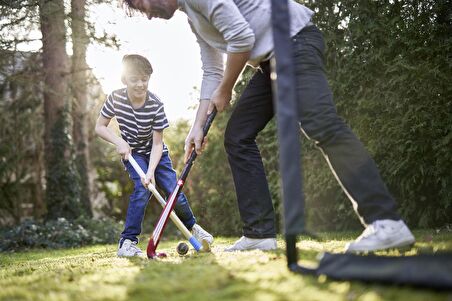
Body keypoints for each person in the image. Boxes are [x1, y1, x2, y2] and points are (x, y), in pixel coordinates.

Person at [121, 0, 415, 253]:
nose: (146, 14)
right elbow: (212, 70)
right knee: (238, 136)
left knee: (321, 123)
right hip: (271, 61)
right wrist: (197, 127)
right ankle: (259, 235)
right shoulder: (194, 18)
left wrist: (226, 89)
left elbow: (241, 37)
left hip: (294, 41)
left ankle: (386, 221)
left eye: (141, 4)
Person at [95, 54, 213, 257]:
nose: (140, 84)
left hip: (157, 154)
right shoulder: (116, 98)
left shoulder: (156, 104)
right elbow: (100, 127)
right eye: (134, 80)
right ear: (125, 79)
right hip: (134, 154)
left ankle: (194, 228)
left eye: (144, 79)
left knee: (173, 191)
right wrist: (119, 142)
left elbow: (158, 144)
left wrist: (150, 171)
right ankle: (127, 243)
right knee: (142, 190)